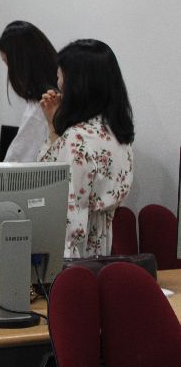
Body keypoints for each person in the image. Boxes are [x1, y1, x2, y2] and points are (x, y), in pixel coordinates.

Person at [39, 39, 134, 258]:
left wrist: (54, 129)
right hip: (103, 244)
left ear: (77, 85)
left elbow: (58, 201)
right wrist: (55, 126)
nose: (57, 84)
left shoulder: (77, 138)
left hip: (73, 253)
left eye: (60, 77)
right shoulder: (119, 132)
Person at [0, 21, 57, 162]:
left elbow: (18, 164)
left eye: (8, 65)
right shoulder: (54, 98)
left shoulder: (42, 107)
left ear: (21, 65)